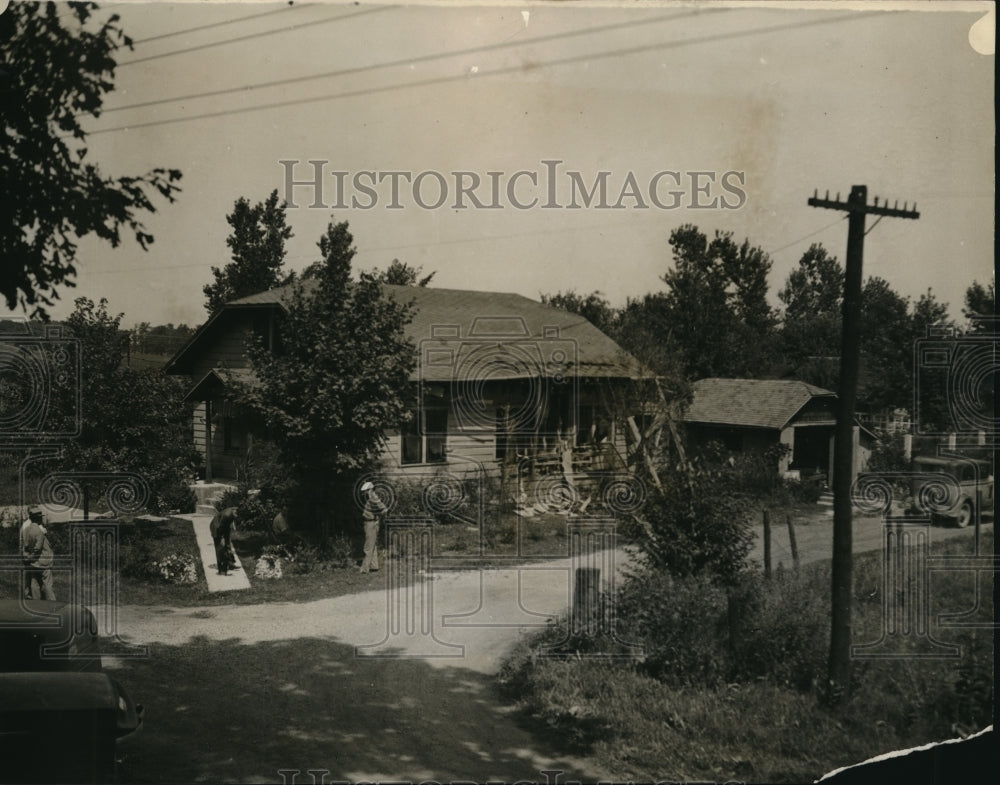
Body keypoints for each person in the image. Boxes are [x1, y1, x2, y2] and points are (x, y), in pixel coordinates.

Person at [20, 507, 55, 601]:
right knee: (47, 584)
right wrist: (32, 556)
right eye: (40, 517)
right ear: (37, 518)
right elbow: (38, 548)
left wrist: (27, 557)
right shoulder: (39, 531)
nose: (41, 519)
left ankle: (36, 603)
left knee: (34, 583)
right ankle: (52, 604)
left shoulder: (26, 529)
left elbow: (26, 545)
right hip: (43, 561)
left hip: (33, 563)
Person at [359, 481, 387, 573]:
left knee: (368, 546)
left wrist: (377, 518)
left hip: (371, 523)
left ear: (370, 490)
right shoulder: (371, 498)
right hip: (371, 522)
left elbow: (384, 509)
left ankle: (364, 568)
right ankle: (374, 566)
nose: (364, 493)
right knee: (373, 545)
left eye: (366, 491)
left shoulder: (373, 498)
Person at [210, 506, 238, 575]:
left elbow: (227, 527)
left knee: (227, 546)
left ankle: (227, 565)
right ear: (233, 511)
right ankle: (221, 570)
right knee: (220, 548)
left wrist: (227, 542)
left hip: (224, 527)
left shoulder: (233, 512)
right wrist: (222, 539)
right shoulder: (227, 515)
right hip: (216, 528)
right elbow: (220, 528)